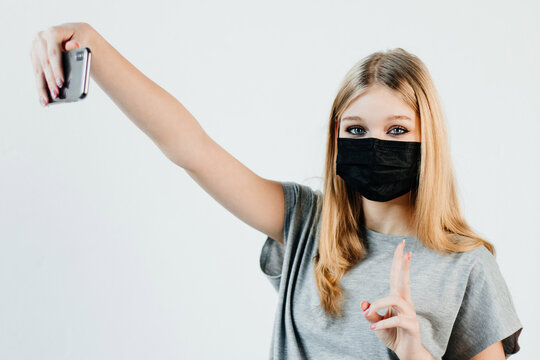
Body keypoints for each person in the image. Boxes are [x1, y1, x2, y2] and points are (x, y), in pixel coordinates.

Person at [29, 23, 523, 360]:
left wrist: (415, 352)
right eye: (355, 131)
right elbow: (192, 149)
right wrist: (94, 44)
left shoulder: (467, 265)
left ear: (427, 138)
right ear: (334, 139)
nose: (373, 145)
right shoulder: (306, 223)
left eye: (396, 131)